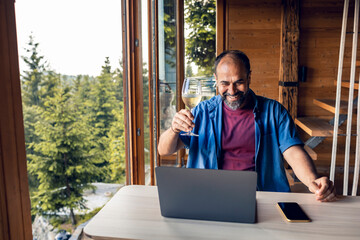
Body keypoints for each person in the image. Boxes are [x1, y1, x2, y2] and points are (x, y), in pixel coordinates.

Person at [158, 50, 336, 202]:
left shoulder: (274, 111)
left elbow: (293, 152)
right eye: (225, 83)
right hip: (209, 197)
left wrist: (313, 180)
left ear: (249, 77)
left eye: (239, 82)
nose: (232, 90)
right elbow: (164, 150)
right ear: (216, 80)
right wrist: (174, 129)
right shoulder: (201, 112)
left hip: (261, 197)